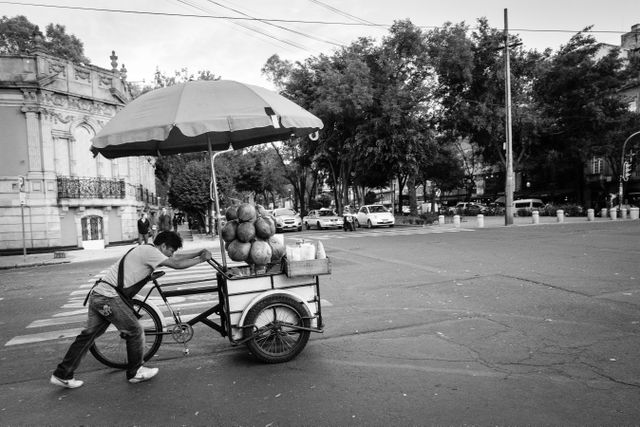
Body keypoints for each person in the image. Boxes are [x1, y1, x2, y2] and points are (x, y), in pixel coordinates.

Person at [50, 231, 212, 389]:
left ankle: (62, 374)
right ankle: (135, 372)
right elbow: (176, 263)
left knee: (88, 336)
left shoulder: (145, 249)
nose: (170, 254)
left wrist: (198, 252)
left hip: (99, 294)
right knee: (134, 330)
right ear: (163, 246)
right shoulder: (150, 251)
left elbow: (175, 258)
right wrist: (201, 259)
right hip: (109, 297)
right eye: (170, 250)